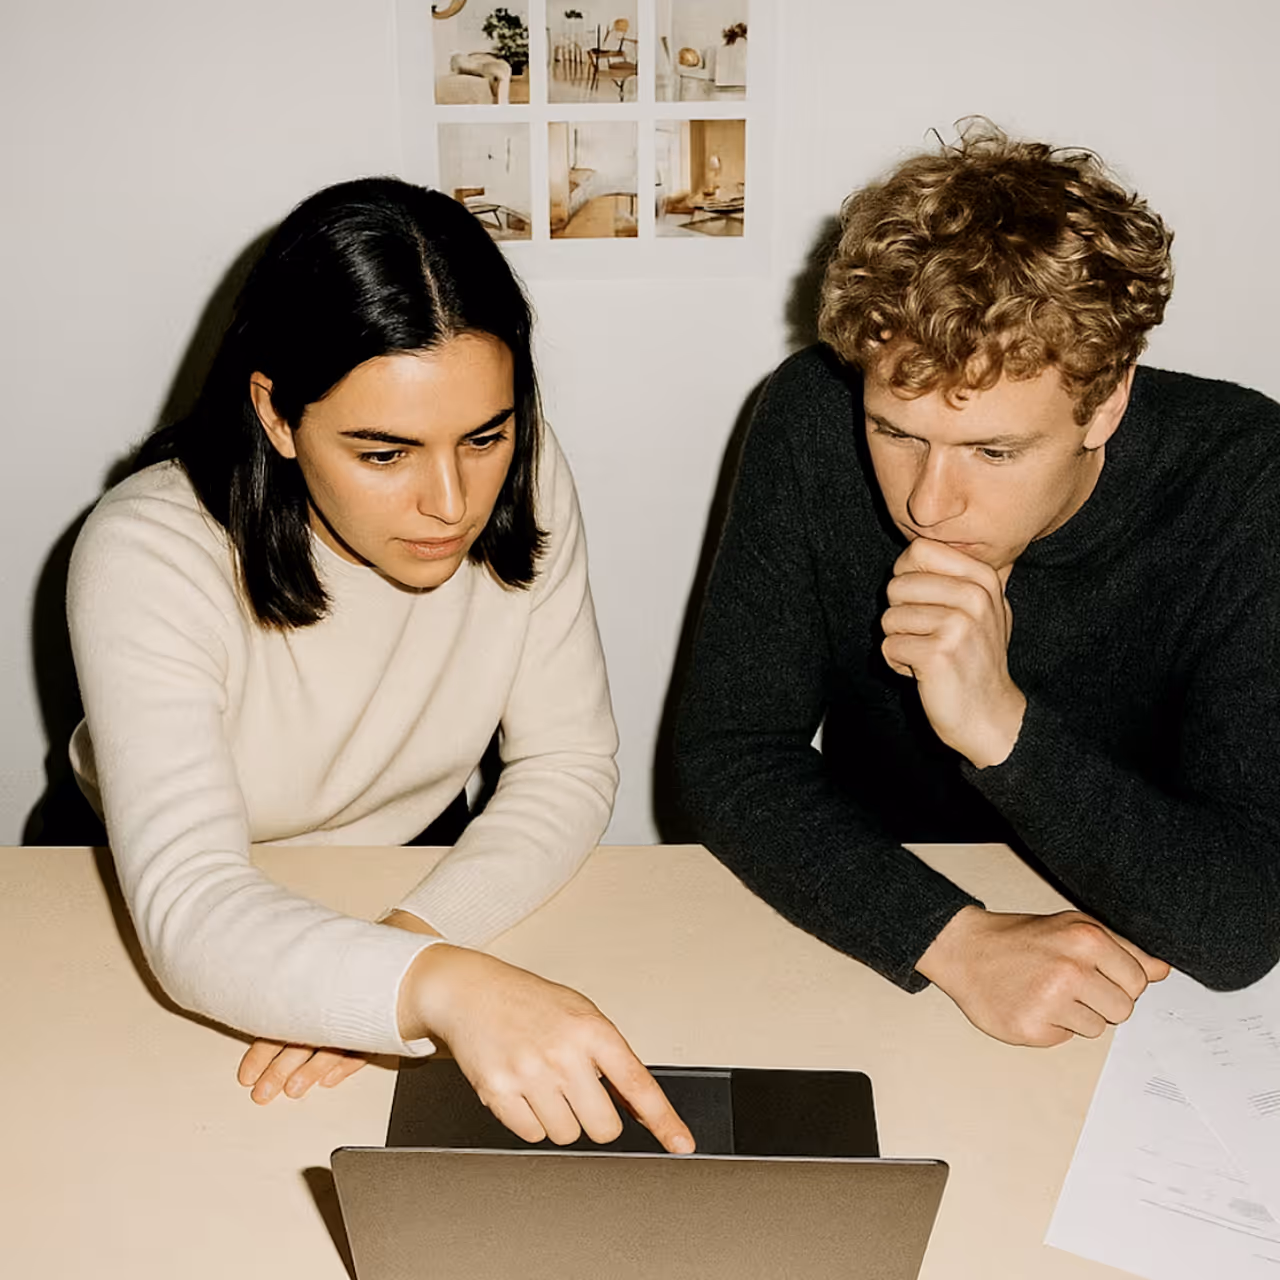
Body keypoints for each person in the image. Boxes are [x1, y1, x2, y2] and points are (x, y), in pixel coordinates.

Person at [67, 177, 692, 1153]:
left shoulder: (524, 472)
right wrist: (436, 986)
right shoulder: (146, 549)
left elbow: (566, 765)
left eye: (485, 435)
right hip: (131, 885)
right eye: (383, 452)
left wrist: (406, 944)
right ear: (275, 415)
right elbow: (190, 903)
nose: (450, 500)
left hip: (414, 863)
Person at [672, 123, 1280, 1049]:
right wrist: (951, 941)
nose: (929, 502)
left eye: (994, 450)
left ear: (1107, 401)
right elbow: (729, 754)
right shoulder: (811, 413)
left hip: (1145, 959)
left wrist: (1000, 725)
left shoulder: (1246, 479)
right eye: (898, 433)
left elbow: (1238, 926)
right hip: (879, 914)